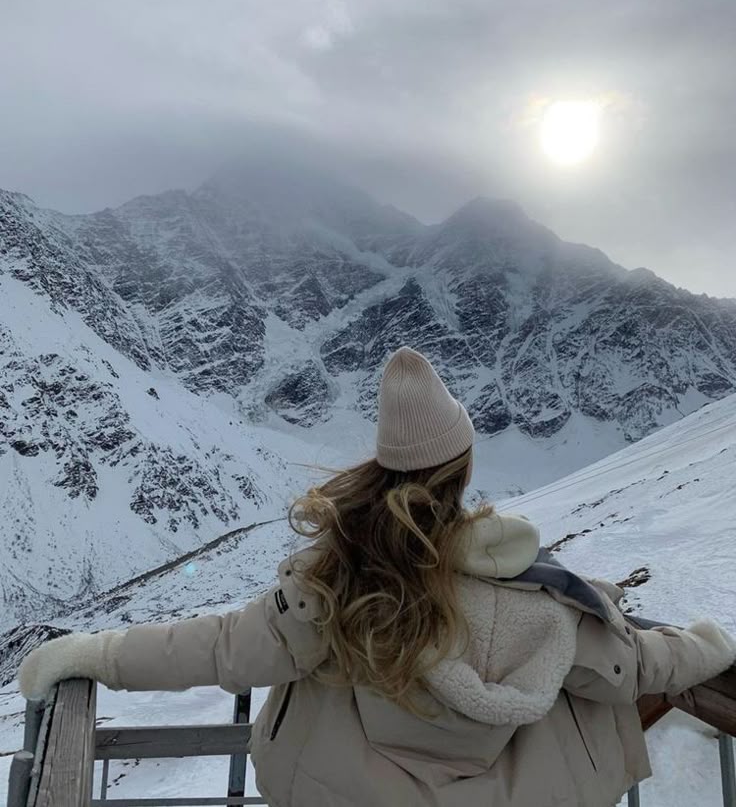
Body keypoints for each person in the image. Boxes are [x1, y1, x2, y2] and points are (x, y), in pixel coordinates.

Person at [18, 346, 736, 807]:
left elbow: (220, 648)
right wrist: (714, 644)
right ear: (463, 471)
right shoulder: (546, 604)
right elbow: (637, 663)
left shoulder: (335, 590)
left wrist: (95, 654)